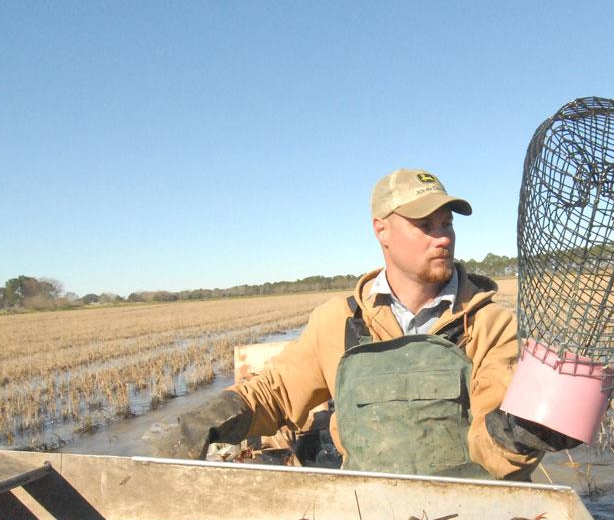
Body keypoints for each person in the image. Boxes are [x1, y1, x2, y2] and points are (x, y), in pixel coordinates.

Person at [156, 168, 578, 479]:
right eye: (425, 225)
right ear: (382, 230)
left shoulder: (490, 324)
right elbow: (279, 393)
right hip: (363, 511)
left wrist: (520, 433)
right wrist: (214, 417)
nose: (444, 237)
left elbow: (489, 447)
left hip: (466, 510)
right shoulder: (339, 321)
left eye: (447, 223)